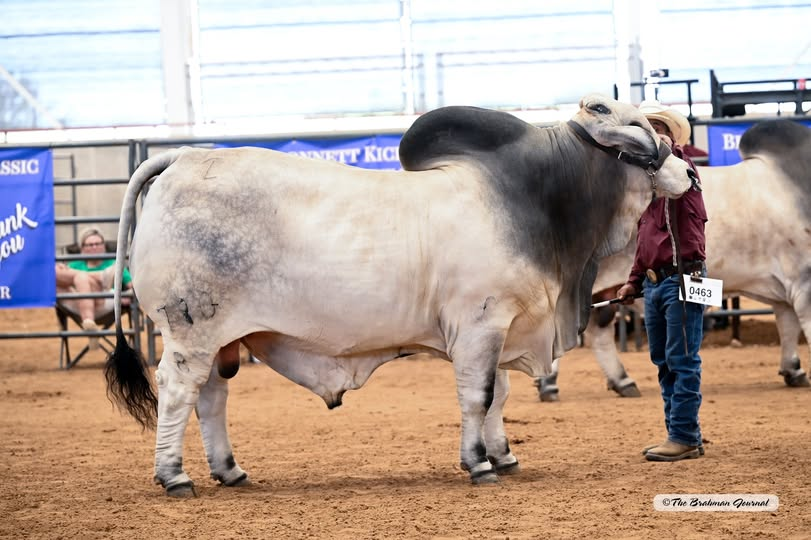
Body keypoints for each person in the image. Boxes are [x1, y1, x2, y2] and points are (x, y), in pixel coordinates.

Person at [616, 101, 708, 462]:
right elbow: (645, 241)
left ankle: (683, 435)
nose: (652, 135)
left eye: (658, 128)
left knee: (680, 359)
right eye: (646, 128)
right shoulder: (649, 188)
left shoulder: (681, 171)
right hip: (658, 283)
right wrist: (633, 281)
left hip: (682, 278)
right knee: (665, 360)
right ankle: (684, 432)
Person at [55, 227, 132, 350]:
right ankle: (101, 277)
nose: (94, 247)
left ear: (104, 246)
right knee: (55, 270)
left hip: (104, 302)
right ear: (82, 248)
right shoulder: (75, 264)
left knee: (81, 277)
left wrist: (125, 296)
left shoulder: (114, 264)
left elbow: (132, 287)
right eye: (90, 245)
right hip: (77, 305)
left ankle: (89, 324)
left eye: (98, 244)